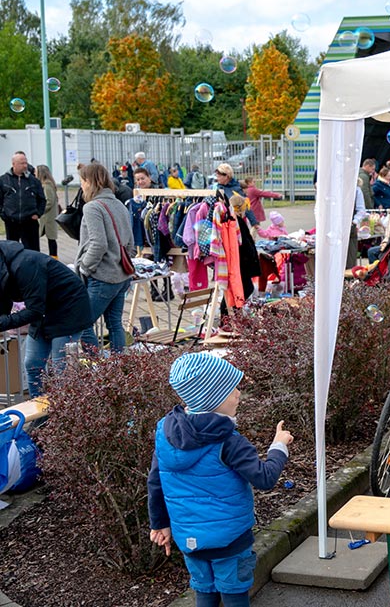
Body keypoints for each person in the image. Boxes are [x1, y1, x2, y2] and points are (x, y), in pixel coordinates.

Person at [147, 352, 293, 607]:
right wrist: (278, 447)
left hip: (189, 539)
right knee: (235, 593)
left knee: (204, 592)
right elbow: (265, 478)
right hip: (231, 541)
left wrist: (160, 524)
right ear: (211, 398)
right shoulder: (229, 441)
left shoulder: (165, 433)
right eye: (231, 389)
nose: (238, 393)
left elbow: (156, 481)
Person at [0, 240, 93, 396]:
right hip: (44, 309)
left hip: (69, 309)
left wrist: (3, 322)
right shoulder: (4, 265)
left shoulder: (25, 264)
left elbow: (34, 311)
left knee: (61, 368)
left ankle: (64, 413)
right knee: (32, 364)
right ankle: (40, 411)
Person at [76, 163, 135, 354]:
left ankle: (99, 371)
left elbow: (98, 244)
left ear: (89, 182)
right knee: (115, 325)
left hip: (102, 278)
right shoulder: (119, 204)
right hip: (122, 276)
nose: (81, 185)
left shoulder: (93, 207)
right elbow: (131, 246)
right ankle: (119, 369)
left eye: (82, 180)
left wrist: (84, 268)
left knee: (81, 324)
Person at [0, 151, 47, 252]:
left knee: (33, 251)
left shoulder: (34, 181)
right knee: (12, 251)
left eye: (26, 162)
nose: (25, 165)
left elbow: (42, 199)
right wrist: (4, 215)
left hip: (30, 221)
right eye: (22, 163)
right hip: (11, 222)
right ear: (14, 164)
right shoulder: (3, 180)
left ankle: (33, 267)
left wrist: (38, 214)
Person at [35, 164, 59, 258]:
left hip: (48, 218)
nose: (34, 173)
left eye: (36, 172)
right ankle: (53, 257)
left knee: (51, 239)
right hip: (48, 217)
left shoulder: (47, 186)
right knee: (50, 239)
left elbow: (49, 201)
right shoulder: (48, 184)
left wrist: (40, 210)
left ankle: (54, 257)